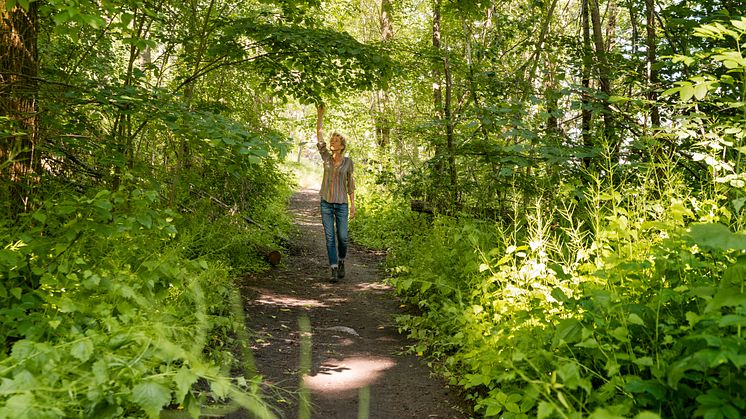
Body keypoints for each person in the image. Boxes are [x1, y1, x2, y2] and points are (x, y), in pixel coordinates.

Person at [315, 104, 356, 283]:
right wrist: (320, 116)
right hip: (326, 202)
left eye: (336, 141)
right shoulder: (325, 157)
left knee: (343, 238)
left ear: (342, 146)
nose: (332, 143)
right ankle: (333, 268)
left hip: (341, 204)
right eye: (332, 140)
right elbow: (319, 135)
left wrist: (353, 204)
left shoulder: (348, 162)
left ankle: (341, 261)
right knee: (330, 237)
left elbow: (350, 183)